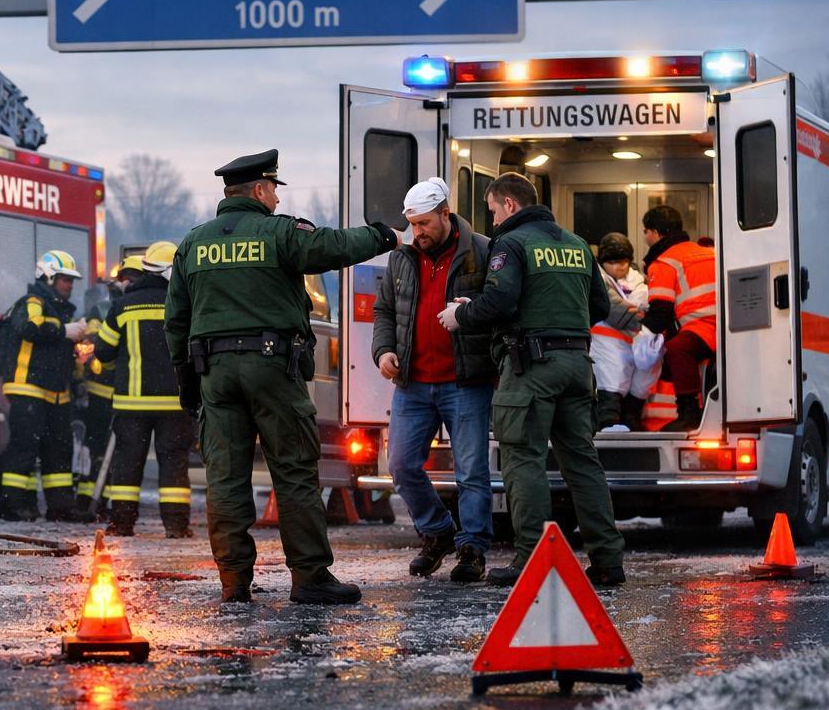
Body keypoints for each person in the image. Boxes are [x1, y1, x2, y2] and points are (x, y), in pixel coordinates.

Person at [164, 149, 397, 605]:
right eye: (272, 190)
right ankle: (310, 578)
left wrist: (189, 386)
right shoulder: (280, 232)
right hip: (272, 368)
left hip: (214, 373)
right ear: (258, 190)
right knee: (292, 471)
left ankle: (234, 582)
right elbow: (333, 247)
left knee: (226, 478)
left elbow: (176, 323)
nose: (274, 199)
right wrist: (383, 236)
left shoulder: (192, 244)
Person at [440, 173, 625, 588]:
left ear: (509, 204)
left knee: (524, 461)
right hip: (578, 366)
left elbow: (501, 300)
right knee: (582, 462)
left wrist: (463, 314)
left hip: (531, 368)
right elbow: (599, 304)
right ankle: (608, 561)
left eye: (492, 211)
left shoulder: (512, 243)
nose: (491, 221)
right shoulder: (577, 244)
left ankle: (533, 560)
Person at [371, 178, 495, 583]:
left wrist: (472, 310)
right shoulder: (402, 257)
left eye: (424, 223)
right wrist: (383, 351)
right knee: (402, 465)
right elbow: (384, 312)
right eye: (412, 224)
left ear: (445, 214)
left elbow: (499, 306)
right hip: (412, 383)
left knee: (472, 471)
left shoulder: (482, 250)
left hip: (465, 381)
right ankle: (439, 532)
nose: (417, 232)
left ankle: (473, 548)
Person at [94, 241, 194, 537]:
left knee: (127, 464)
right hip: (174, 405)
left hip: (131, 404)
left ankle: (122, 524)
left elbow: (103, 352)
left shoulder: (122, 306)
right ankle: (176, 526)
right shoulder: (183, 307)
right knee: (174, 464)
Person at [0, 249, 89, 521]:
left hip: (57, 392)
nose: (70, 285)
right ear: (48, 278)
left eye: (72, 280)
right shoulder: (33, 300)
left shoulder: (61, 310)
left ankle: (60, 507)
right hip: (28, 388)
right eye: (64, 279)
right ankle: (12, 507)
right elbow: (29, 326)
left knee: (59, 449)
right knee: (25, 447)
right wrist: (65, 330)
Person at [639, 205, 717, 432]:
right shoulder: (706, 252)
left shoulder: (665, 262)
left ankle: (688, 412)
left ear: (654, 232)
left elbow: (660, 310)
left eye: (645, 231)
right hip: (727, 327)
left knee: (676, 349)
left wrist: (642, 338)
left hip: (701, 326)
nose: (645, 237)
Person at [76, 256, 143, 514]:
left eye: (133, 277)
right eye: (126, 276)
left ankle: (105, 499)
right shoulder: (103, 309)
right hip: (102, 392)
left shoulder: (130, 305)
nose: (128, 281)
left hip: (126, 392)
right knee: (96, 447)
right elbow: (95, 344)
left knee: (119, 450)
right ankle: (87, 499)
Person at [590, 232, 660, 431]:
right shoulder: (596, 281)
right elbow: (615, 310)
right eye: (612, 262)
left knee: (634, 403)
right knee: (609, 401)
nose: (619, 266)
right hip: (606, 352)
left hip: (637, 353)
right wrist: (647, 319)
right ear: (603, 262)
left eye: (623, 261)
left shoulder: (641, 282)